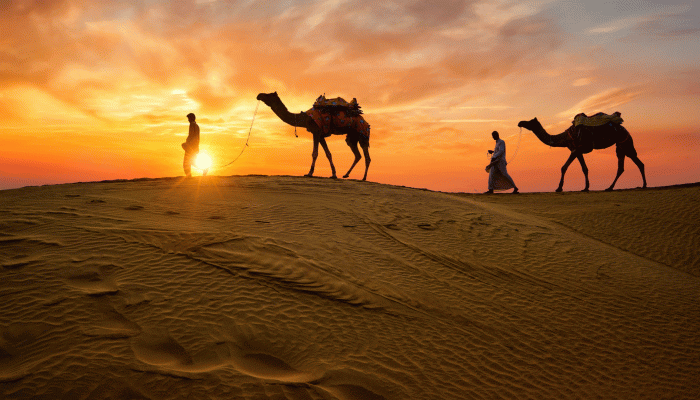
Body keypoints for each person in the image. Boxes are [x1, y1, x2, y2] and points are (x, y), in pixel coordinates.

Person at [182, 113, 200, 177]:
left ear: (191, 118)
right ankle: (189, 176)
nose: (188, 120)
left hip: (190, 148)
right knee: (191, 162)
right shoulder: (196, 126)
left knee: (186, 163)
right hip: (193, 147)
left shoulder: (192, 125)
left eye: (189, 118)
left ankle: (189, 176)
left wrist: (187, 145)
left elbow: (192, 137)